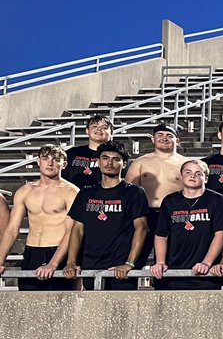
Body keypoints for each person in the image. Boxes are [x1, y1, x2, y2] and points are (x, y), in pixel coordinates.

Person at [60, 141, 149, 291]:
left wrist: (130, 263)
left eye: (116, 159)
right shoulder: (86, 192)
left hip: (120, 268)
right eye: (105, 158)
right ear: (98, 162)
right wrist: (71, 262)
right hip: (91, 265)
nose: (110, 163)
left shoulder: (134, 192)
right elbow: (77, 229)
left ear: (124, 164)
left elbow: (142, 228)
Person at [0, 145, 79, 290]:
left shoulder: (71, 192)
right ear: (38, 161)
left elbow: (71, 231)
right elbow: (12, 229)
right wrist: (0, 260)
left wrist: (53, 264)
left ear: (64, 164)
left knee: (59, 306)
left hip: (58, 252)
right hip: (31, 252)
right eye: (45, 159)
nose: (50, 163)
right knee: (27, 303)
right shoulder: (25, 191)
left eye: (56, 160)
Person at [149, 159, 223, 290]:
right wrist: (160, 262)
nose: (192, 176)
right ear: (181, 176)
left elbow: (220, 234)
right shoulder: (170, 201)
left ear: (206, 179)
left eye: (199, 173)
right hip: (172, 272)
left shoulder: (217, 200)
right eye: (188, 172)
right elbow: (161, 235)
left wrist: (206, 263)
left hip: (205, 274)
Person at [126, 123, 187, 253]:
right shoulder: (140, 162)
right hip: (146, 214)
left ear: (177, 141)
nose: (164, 138)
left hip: (175, 214)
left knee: (171, 255)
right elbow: (128, 191)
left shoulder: (185, 164)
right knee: (139, 254)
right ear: (153, 139)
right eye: (159, 135)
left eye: (169, 135)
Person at [64, 115, 114, 188]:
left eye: (104, 127)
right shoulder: (71, 153)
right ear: (87, 131)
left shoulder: (117, 156)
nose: (99, 129)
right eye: (94, 126)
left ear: (111, 133)